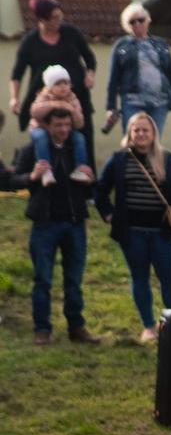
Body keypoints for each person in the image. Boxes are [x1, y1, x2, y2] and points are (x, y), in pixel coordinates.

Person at [93, 111, 171, 343]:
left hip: (163, 233)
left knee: (168, 278)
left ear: (153, 133)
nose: (140, 134)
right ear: (129, 132)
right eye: (136, 129)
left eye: (145, 130)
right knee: (139, 277)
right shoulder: (118, 160)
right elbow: (100, 190)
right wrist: (108, 214)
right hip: (132, 232)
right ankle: (148, 326)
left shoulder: (169, 159)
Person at [10, 106, 98, 345]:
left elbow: (91, 187)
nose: (64, 130)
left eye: (68, 125)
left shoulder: (77, 148)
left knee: (74, 279)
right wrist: (31, 177)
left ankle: (76, 327)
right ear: (48, 126)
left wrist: (90, 180)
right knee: (43, 279)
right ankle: (42, 328)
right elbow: (12, 180)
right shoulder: (33, 151)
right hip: (44, 223)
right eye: (58, 125)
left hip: (74, 223)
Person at [10, 0, 96, 152]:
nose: (58, 21)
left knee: (82, 139)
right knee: (48, 142)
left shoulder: (71, 33)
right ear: (42, 19)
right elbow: (17, 73)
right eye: (53, 18)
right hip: (46, 99)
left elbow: (90, 58)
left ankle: (85, 172)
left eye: (59, 16)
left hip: (75, 97)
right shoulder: (30, 41)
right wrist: (14, 98)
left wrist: (90, 75)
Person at [103, 3, 171, 136]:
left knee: (153, 141)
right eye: (132, 22)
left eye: (140, 20)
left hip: (159, 103)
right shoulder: (121, 46)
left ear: (148, 20)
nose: (137, 24)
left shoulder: (160, 44)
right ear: (127, 25)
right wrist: (110, 107)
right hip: (132, 102)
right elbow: (113, 79)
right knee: (132, 141)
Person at [27, 65, 91, 174]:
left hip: (63, 130)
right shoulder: (43, 96)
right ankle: (45, 170)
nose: (63, 87)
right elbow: (35, 112)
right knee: (40, 137)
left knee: (79, 138)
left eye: (66, 83)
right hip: (40, 128)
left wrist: (72, 110)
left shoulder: (72, 99)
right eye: (58, 84)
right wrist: (55, 104)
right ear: (50, 86)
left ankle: (80, 169)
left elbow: (80, 124)